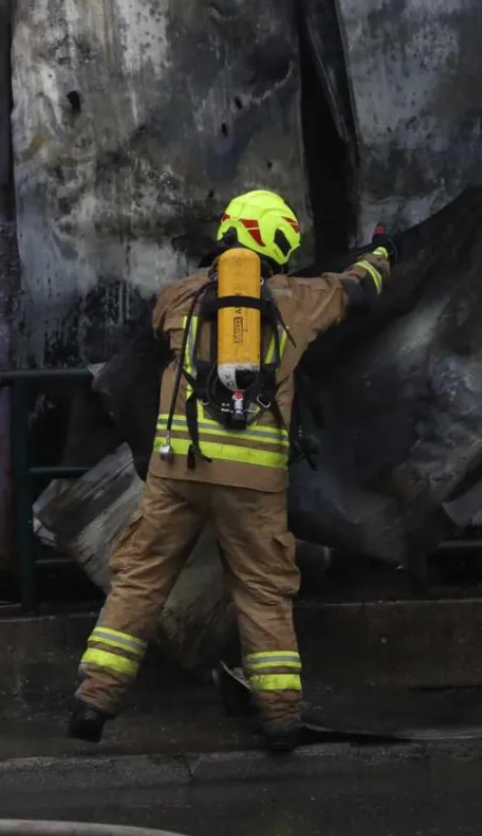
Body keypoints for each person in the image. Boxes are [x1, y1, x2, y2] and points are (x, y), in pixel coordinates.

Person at [67, 190, 394, 752]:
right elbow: (359, 291)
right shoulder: (300, 298)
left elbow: (144, 357)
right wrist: (382, 254)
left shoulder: (178, 297)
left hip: (179, 473)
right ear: (278, 245)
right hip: (254, 485)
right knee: (264, 592)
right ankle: (282, 719)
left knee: (141, 580)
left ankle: (95, 701)